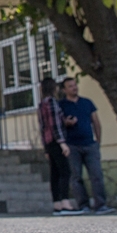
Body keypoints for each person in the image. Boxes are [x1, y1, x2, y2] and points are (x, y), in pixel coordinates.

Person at [59, 77, 114, 215]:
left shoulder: (87, 102)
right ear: (64, 90)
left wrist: (98, 141)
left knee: (96, 175)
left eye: (75, 85)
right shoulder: (62, 105)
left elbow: (95, 121)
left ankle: (101, 205)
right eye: (70, 86)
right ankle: (83, 205)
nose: (74, 88)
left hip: (90, 144)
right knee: (76, 177)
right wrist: (66, 123)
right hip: (72, 145)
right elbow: (59, 124)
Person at [38, 78, 81, 215]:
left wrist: (46, 147)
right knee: (65, 172)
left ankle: (57, 203)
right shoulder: (51, 102)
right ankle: (65, 202)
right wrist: (62, 143)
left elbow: (43, 126)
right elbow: (54, 124)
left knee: (54, 173)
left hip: (49, 142)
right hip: (56, 141)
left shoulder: (41, 104)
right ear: (53, 88)